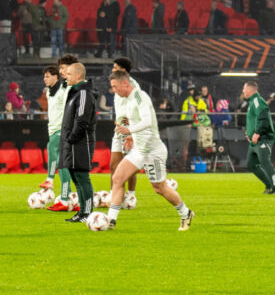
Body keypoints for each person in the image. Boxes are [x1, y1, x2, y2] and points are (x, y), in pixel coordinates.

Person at [107, 71, 195, 231]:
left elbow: (147, 121)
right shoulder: (127, 100)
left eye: (115, 87)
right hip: (139, 150)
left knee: (159, 188)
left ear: (125, 83)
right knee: (118, 179)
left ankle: (185, 213)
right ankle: (110, 221)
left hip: (152, 151)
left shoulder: (140, 97)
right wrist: (131, 135)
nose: (114, 90)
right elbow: (135, 121)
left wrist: (129, 130)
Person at [59, 62, 95, 223]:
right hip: (72, 142)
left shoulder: (83, 94)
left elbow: (81, 121)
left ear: (78, 76)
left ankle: (87, 213)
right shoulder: (75, 93)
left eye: (69, 74)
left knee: (82, 176)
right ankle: (81, 212)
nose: (66, 77)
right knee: (75, 176)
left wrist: (72, 138)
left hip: (80, 142)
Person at [41, 55, 77, 210]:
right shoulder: (50, 92)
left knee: (51, 147)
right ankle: (66, 198)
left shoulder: (67, 88)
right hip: (54, 128)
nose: (44, 79)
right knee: (63, 167)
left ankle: (49, 179)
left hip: (64, 129)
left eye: (48, 77)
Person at [109, 58, 139, 203]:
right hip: (118, 129)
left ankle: (131, 196)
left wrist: (132, 125)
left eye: (116, 67)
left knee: (130, 165)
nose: (113, 69)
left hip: (129, 130)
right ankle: (113, 196)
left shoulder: (133, 85)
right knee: (113, 165)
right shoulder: (116, 84)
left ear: (124, 70)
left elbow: (138, 105)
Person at [243, 80, 275, 194]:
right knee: (251, 164)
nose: (243, 91)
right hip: (254, 140)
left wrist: (257, 133)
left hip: (263, 138)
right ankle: (269, 186)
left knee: (264, 162)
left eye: (244, 89)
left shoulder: (257, 101)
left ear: (249, 90)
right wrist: (248, 133)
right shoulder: (252, 102)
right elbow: (254, 119)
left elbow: (263, 115)